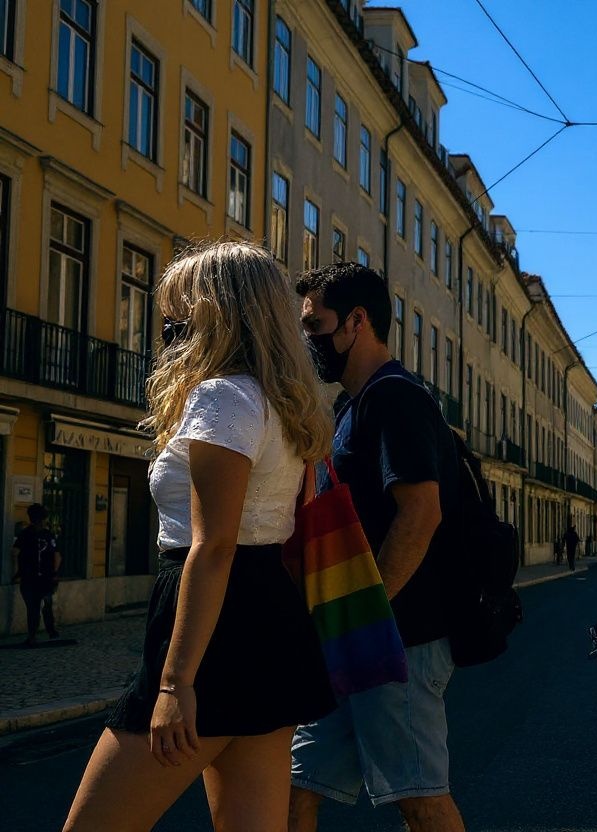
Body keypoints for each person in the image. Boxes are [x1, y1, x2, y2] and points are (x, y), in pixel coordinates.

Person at [64, 242, 335, 830]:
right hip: (268, 617)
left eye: (178, 310)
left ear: (216, 310)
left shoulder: (222, 398)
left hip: (215, 617)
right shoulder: (281, 404)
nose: (168, 325)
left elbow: (214, 546)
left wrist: (174, 682)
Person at [291, 263, 465, 832]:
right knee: (293, 784)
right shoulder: (349, 407)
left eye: (315, 325)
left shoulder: (395, 398)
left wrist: (369, 612)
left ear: (356, 322)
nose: (308, 339)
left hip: (398, 639)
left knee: (419, 801)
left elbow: (422, 513)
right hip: (349, 637)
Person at [12, 503, 60, 645]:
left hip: (28, 577)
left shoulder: (24, 534)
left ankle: (32, 636)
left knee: (32, 608)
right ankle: (51, 632)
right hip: (46, 577)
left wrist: (18, 571)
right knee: (47, 604)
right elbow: (57, 555)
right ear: (44, 519)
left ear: (31, 518)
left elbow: (15, 553)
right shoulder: (48, 535)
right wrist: (55, 572)